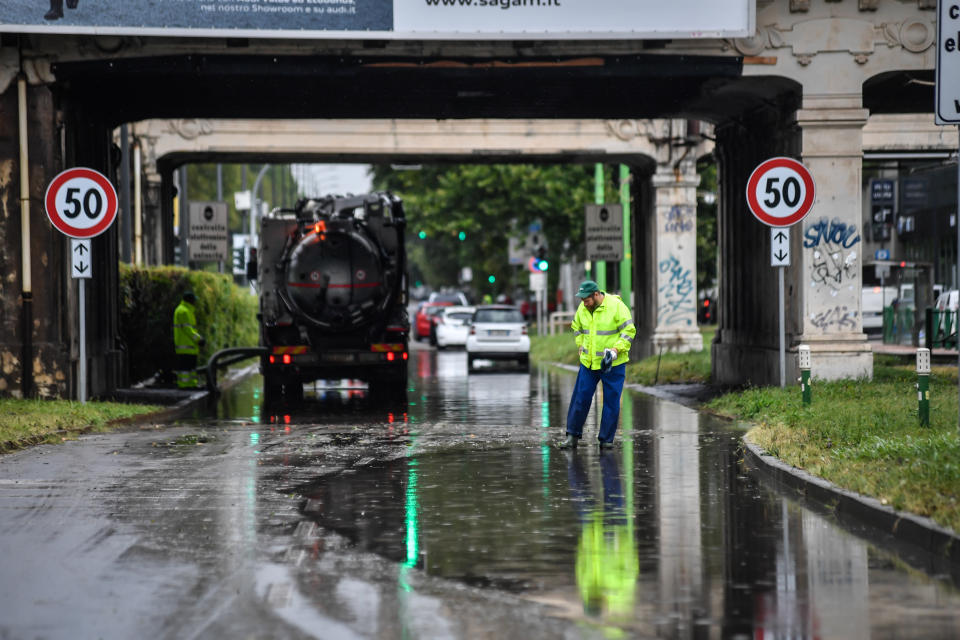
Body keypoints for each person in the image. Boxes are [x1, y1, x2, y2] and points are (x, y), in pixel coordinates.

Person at [560, 280, 635, 449]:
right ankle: (572, 436)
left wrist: (616, 350)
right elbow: (576, 327)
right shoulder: (583, 308)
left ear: (596, 295)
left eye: (586, 300)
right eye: (582, 300)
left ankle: (606, 441)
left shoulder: (616, 306)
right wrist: (580, 344)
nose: (584, 304)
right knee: (580, 398)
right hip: (588, 362)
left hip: (613, 364)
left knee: (611, 402)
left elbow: (629, 331)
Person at [173, 291, 205, 389]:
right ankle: (184, 386)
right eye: (193, 300)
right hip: (185, 345)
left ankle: (191, 384)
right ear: (189, 300)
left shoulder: (187, 310)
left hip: (189, 346)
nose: (194, 302)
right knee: (185, 368)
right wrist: (199, 339)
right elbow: (188, 330)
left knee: (190, 368)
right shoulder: (183, 311)